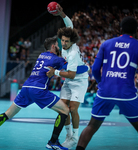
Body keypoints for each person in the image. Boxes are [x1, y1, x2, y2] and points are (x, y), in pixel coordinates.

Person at [0, 36, 88, 150]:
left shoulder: (41, 55)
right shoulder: (56, 59)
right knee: (65, 110)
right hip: (38, 89)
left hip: (26, 88)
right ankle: (53, 142)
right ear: (53, 46)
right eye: (57, 45)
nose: (59, 46)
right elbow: (74, 70)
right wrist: (86, 68)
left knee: (7, 114)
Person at [76, 16, 138, 150]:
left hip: (105, 92)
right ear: (137, 30)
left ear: (120, 28)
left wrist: (100, 83)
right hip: (126, 93)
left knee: (92, 126)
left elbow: (95, 69)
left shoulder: (106, 44)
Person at [47, 5, 89, 149]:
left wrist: (55, 72)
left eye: (66, 41)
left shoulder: (72, 53)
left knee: (72, 109)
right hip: (69, 81)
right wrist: (61, 14)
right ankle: (68, 135)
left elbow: (71, 75)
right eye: (62, 40)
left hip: (79, 81)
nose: (63, 43)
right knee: (62, 109)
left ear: (72, 42)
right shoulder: (64, 45)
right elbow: (69, 25)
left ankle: (75, 137)